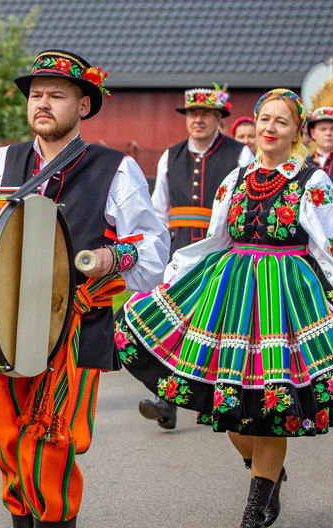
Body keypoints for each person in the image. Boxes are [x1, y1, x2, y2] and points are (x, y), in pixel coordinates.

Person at [118, 89, 333, 527]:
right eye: (265, 119)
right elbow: (216, 240)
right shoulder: (236, 179)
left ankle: (255, 505)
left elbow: (331, 251)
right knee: (229, 411)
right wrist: (172, 280)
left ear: (296, 131)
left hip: (286, 297)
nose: (269, 128)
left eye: (281, 122)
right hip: (233, 296)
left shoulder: (312, 181)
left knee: (271, 408)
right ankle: (268, 476)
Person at [0, 48, 170, 527]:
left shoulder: (115, 168)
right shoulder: (3, 161)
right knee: (7, 438)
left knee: (52, 441)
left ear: (83, 105)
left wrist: (111, 257)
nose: (42, 103)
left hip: (74, 323)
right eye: (36, 95)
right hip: (2, 319)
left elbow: (152, 252)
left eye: (56, 95)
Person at [142, 85, 252, 429]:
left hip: (220, 249)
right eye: (192, 114)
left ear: (219, 118)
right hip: (179, 250)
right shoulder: (169, 155)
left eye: (206, 114)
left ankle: (223, 397)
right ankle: (167, 401)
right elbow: (158, 211)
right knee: (174, 325)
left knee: (217, 325)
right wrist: (158, 253)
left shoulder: (240, 154)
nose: (198, 120)